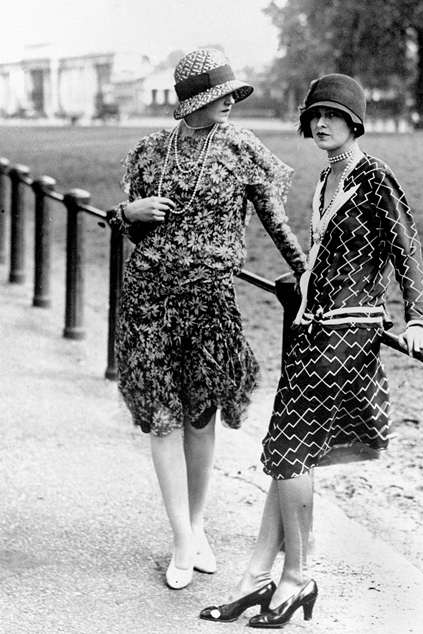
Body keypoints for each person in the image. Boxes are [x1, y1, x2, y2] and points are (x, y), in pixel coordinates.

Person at [199, 74, 423, 627]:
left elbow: (408, 250)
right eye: (314, 117)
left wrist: (418, 319)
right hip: (312, 328)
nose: (320, 124)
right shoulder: (327, 175)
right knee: (286, 452)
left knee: (287, 449)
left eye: (332, 115)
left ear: (355, 122)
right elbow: (326, 255)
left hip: (348, 335)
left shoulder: (375, 177)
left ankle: (297, 577)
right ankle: (259, 574)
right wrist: (301, 283)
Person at [106, 48, 306, 591]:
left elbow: (276, 223)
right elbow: (124, 224)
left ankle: (197, 525)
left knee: (200, 417)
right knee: (164, 419)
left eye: (232, 95)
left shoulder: (243, 148)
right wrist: (132, 213)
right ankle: (179, 537)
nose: (230, 104)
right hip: (149, 299)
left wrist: (306, 272)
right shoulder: (150, 151)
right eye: (220, 96)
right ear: (196, 100)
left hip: (210, 300)